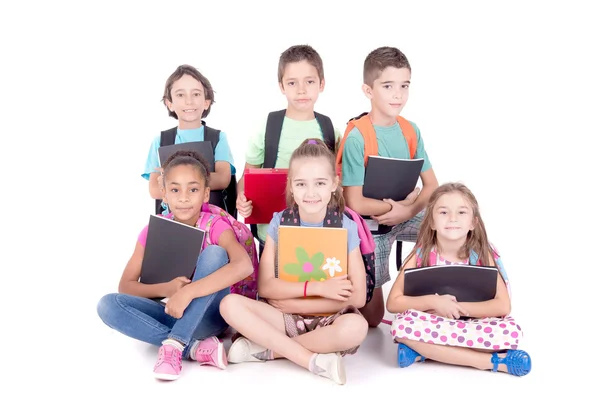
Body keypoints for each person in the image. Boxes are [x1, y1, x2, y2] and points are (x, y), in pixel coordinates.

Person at [220, 139, 368, 385]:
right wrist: (318, 288)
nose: (311, 193)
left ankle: (268, 351)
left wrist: (291, 302)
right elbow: (266, 287)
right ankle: (313, 360)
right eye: (301, 184)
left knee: (356, 328)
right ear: (291, 187)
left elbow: (358, 297)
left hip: (330, 319)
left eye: (320, 183)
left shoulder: (346, 226)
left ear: (334, 184)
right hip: (284, 318)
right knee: (228, 304)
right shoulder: (280, 222)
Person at [97, 150, 253, 381]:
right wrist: (168, 290)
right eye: (175, 190)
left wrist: (188, 292)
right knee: (108, 304)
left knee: (215, 253)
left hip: (209, 317)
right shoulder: (152, 231)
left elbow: (244, 266)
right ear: (164, 195)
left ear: (206, 194)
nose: (183, 198)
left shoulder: (215, 226)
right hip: (173, 310)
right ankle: (193, 348)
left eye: (193, 189)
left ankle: (175, 343)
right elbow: (126, 286)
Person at [336, 46, 439, 327]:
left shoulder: (410, 129)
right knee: (373, 319)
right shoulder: (358, 136)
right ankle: (354, 286)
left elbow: (432, 186)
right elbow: (354, 202)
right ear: (368, 90)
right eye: (388, 86)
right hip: (372, 226)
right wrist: (398, 208)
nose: (398, 94)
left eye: (404, 86)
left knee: (449, 227)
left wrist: (406, 211)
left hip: (402, 214)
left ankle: (433, 288)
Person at [386, 182, 532, 376]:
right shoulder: (422, 253)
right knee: (401, 326)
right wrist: (435, 303)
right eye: (443, 212)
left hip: (477, 322)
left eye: (462, 212)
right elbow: (393, 303)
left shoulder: (482, 253)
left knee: (510, 333)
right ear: (431, 221)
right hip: (434, 320)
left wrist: (455, 309)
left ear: (473, 223)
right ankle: (489, 361)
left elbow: (503, 306)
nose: (453, 218)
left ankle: (424, 352)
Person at [236, 45, 342, 255]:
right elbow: (246, 178)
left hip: (319, 233)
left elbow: (339, 180)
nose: (301, 90)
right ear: (281, 86)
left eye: (309, 81)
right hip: (273, 235)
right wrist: (242, 197)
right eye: (292, 82)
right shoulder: (266, 127)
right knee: (271, 286)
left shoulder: (331, 130)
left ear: (321, 84)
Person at [142, 64, 236, 215]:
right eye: (180, 95)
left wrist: (171, 181)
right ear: (169, 103)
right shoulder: (161, 141)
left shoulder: (218, 138)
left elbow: (222, 179)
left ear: (207, 101)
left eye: (196, 94)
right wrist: (195, 182)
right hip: (172, 219)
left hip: (211, 220)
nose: (189, 101)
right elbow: (154, 189)